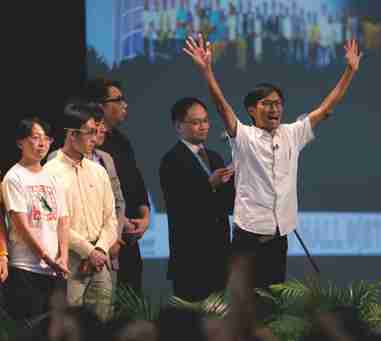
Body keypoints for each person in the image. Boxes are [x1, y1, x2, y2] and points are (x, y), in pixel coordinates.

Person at [184, 34, 362, 289]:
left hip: (279, 238)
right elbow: (222, 107)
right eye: (267, 104)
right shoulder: (244, 136)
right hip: (248, 238)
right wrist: (207, 71)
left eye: (278, 104)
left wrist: (349, 71)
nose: (274, 109)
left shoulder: (292, 133)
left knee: (273, 304)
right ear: (251, 110)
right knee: (245, 305)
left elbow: (325, 108)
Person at [44, 105, 117, 320]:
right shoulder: (50, 172)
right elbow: (55, 222)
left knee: (103, 327)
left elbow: (110, 219)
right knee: (71, 326)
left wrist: (100, 250)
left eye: (97, 132)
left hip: (101, 262)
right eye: (90, 132)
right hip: (70, 262)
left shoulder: (99, 170)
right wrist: (88, 252)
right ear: (72, 134)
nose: (95, 138)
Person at [159, 97, 235, 301]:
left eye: (206, 121)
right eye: (195, 122)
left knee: (219, 321)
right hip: (190, 256)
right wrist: (209, 184)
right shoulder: (172, 159)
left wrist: (234, 178)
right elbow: (179, 204)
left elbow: (226, 204)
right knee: (192, 323)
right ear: (178, 126)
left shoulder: (215, 157)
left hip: (219, 254)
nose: (203, 127)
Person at [83, 79, 150, 294]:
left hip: (129, 238)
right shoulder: (85, 150)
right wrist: (118, 227)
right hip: (102, 241)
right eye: (118, 100)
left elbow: (136, 185)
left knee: (131, 300)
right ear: (100, 106)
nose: (125, 104)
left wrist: (145, 217)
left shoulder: (122, 141)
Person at [1, 117, 69, 324]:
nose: (42, 144)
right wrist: (46, 257)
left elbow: (63, 220)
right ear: (20, 142)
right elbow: (20, 225)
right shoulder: (14, 177)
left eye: (46, 139)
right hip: (26, 268)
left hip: (55, 270)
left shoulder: (53, 177)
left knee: (57, 329)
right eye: (35, 138)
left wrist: (63, 256)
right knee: (30, 328)